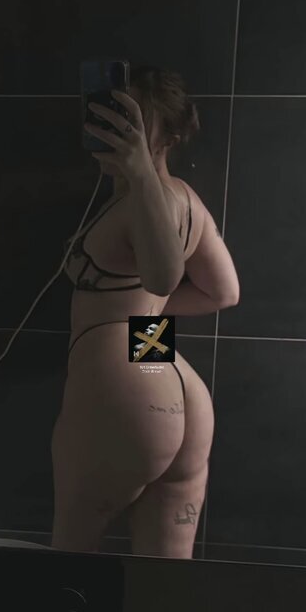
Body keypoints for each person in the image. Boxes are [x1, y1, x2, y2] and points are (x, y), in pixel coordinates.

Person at [51, 66, 240, 558]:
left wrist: (138, 172)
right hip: (164, 367)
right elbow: (223, 292)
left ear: (168, 139)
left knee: (71, 554)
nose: (119, 133)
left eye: (135, 123)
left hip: (123, 383)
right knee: (166, 574)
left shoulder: (144, 200)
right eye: (115, 117)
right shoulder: (187, 199)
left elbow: (163, 276)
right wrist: (140, 312)